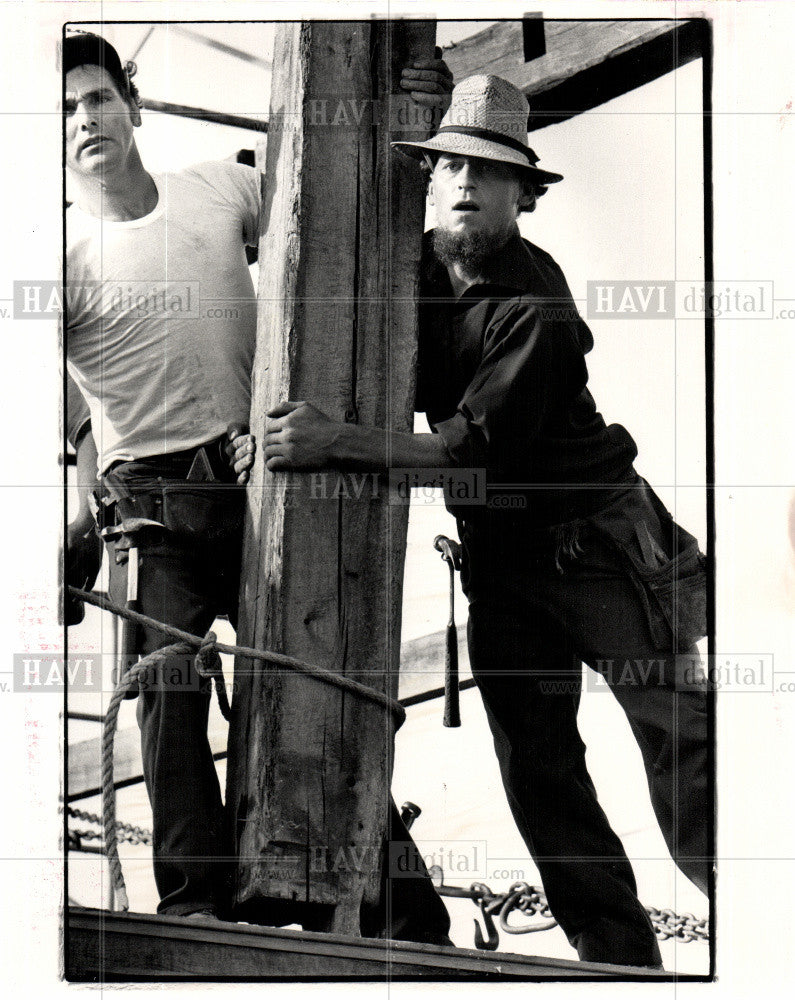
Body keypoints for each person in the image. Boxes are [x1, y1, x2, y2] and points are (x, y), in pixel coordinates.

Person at [262, 74, 711, 968]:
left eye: (489, 170)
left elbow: (470, 452)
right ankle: (618, 961)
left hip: (606, 553)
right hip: (502, 562)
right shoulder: (407, 266)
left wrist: (331, 441)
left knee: (685, 747)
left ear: (524, 193)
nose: (466, 183)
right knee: (539, 770)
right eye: (451, 166)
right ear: (429, 180)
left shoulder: (535, 307)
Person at [64, 29, 454, 942]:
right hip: (148, 503)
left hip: (253, 479)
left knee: (315, 669)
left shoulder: (219, 187)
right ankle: (195, 900)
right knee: (167, 688)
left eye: (95, 98)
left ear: (131, 105)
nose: (84, 120)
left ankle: (395, 900)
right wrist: (77, 498)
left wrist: (407, 124)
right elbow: (50, 407)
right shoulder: (61, 261)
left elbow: (328, 220)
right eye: (65, 112)